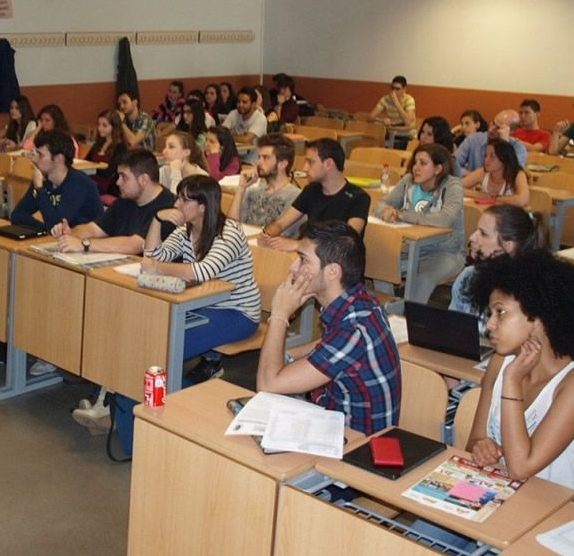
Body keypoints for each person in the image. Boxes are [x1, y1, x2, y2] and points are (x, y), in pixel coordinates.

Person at [465, 252, 574, 506]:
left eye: (501, 313)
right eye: (490, 313)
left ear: (538, 317)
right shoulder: (500, 362)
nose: (490, 325)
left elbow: (521, 467)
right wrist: (481, 446)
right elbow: (473, 440)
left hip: (551, 520)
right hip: (494, 499)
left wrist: (511, 381)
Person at [55, 149, 177, 431]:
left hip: (156, 294)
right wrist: (71, 233)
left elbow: (136, 245)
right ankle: (99, 389)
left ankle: (106, 401)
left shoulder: (167, 208)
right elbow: (95, 229)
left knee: (113, 323)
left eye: (123, 177)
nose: (117, 183)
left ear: (144, 179)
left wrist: (83, 246)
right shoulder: (126, 202)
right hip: (124, 284)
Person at [255, 220, 401, 435]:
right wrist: (286, 357)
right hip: (330, 415)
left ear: (333, 271)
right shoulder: (359, 299)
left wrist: (279, 315)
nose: (293, 267)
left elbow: (267, 385)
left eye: (303, 259)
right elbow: (328, 344)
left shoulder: (354, 329)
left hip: (352, 447)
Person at [143, 175, 261, 383]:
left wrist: (155, 268)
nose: (176, 204)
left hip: (237, 312)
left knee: (170, 345)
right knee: (153, 330)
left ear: (203, 206)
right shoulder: (185, 231)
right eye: (178, 198)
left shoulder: (228, 233)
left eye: (184, 200)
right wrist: (157, 219)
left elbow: (201, 272)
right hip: (200, 305)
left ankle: (172, 397)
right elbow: (154, 254)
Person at [375, 143, 466, 304]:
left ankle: (409, 321)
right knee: (381, 267)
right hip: (410, 248)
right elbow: (381, 204)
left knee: (422, 279)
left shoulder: (453, 186)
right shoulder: (408, 181)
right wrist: (387, 212)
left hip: (445, 252)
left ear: (438, 169)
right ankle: (389, 312)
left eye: (423, 163)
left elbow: (444, 219)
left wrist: (403, 215)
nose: (416, 167)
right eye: (415, 162)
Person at [259, 138, 370, 252]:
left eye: (310, 162)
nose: (305, 168)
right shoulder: (312, 190)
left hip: (336, 263)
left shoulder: (359, 198)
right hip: (308, 256)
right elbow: (281, 224)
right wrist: (267, 235)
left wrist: (299, 245)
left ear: (328, 164)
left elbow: (346, 242)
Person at [449, 205, 546, 325]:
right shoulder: (468, 276)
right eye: (476, 231)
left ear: (508, 246)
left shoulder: (532, 290)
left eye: (483, 234)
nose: (472, 237)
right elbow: (452, 328)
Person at [10, 130, 102, 231]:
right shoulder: (43, 180)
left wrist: (40, 189)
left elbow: (56, 223)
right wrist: (44, 230)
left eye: (40, 155)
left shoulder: (79, 183)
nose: (34, 159)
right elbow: (18, 215)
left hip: (87, 242)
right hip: (64, 240)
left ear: (59, 158)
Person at [228, 133, 301, 235]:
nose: (259, 162)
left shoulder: (295, 197)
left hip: (268, 249)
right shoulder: (252, 190)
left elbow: (279, 237)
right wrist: (241, 188)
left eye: (266, 158)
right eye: (259, 157)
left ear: (282, 164)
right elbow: (231, 226)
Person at [461, 138, 531, 207]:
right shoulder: (483, 172)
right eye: (486, 156)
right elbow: (455, 187)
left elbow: (522, 200)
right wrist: (479, 195)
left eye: (492, 156)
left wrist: (496, 199)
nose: (486, 160)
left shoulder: (517, 174)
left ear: (504, 159)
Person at [454, 109, 528, 173]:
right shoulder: (473, 139)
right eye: (493, 122)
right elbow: (453, 163)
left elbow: (510, 174)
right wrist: (471, 176)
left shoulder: (519, 149)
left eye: (498, 127)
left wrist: (504, 145)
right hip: (472, 186)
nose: (491, 129)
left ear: (511, 132)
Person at [85, 109, 127, 199]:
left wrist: (93, 168)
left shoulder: (120, 147)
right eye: (99, 124)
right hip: (91, 181)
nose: (100, 128)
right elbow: (85, 162)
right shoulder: (98, 143)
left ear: (114, 127)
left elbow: (109, 172)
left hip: (107, 186)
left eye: (104, 125)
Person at [369, 75, 417, 145]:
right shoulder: (385, 99)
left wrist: (396, 103)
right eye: (392, 88)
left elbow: (408, 122)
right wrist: (382, 120)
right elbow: (370, 117)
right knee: (376, 135)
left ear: (404, 89)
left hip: (406, 132)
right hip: (392, 129)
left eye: (397, 89)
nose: (394, 92)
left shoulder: (409, 100)